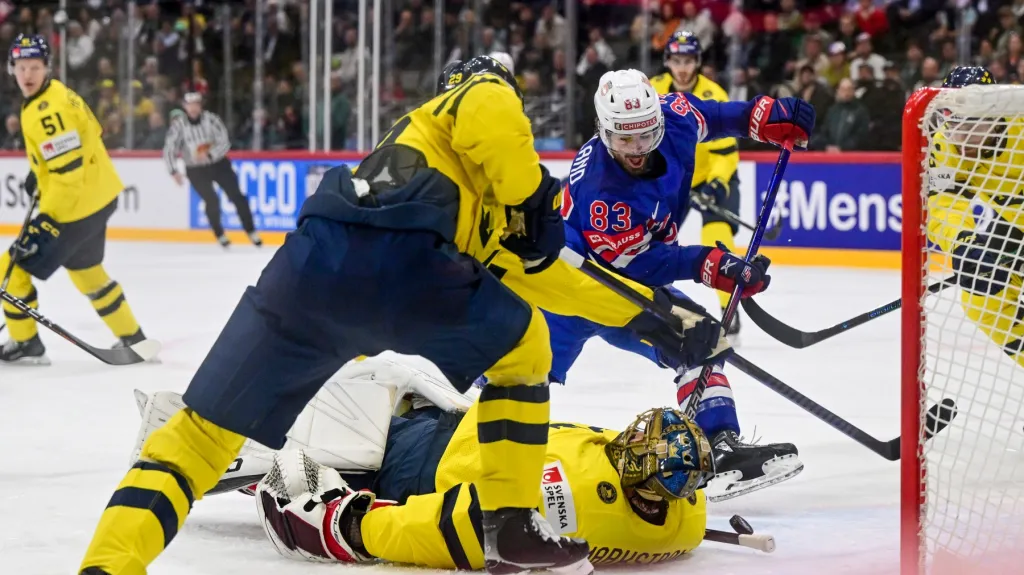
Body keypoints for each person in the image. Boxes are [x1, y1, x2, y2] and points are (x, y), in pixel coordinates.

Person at [78, 55, 729, 575]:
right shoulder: (472, 103)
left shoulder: (462, 193)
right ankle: (506, 521)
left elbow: (552, 278)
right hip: (406, 260)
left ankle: (109, 563)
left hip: (308, 267)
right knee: (525, 350)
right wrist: (534, 195)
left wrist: (651, 316)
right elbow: (488, 110)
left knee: (195, 439)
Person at [130, 356, 716, 570]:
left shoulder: (570, 506)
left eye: (637, 447)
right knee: (372, 371)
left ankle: (189, 448)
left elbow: (455, 530)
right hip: (460, 429)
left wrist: (353, 524)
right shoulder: (683, 509)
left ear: (640, 477)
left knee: (334, 414)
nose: (628, 438)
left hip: (421, 464)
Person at [545, 67, 815, 500]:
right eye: (623, 139)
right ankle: (460, 440)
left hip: (621, 279)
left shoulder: (676, 114)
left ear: (659, 120)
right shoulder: (602, 195)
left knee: (701, 338)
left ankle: (720, 452)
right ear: (603, 131)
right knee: (516, 375)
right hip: (575, 288)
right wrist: (709, 263)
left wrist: (763, 117)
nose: (636, 149)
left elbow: (720, 116)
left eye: (645, 135)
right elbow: (640, 270)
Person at [0, 34, 149, 364]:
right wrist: (39, 173)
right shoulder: (58, 94)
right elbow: (89, 136)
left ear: (46, 67)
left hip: (73, 209)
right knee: (87, 270)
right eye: (21, 67)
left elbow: (68, 174)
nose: (27, 74)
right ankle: (132, 336)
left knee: (8, 269)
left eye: (34, 67)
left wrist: (47, 222)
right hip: (97, 198)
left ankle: (26, 343)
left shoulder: (46, 110)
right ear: (12, 68)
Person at [927, 66, 1024, 367]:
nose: (961, 138)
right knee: (982, 303)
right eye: (953, 122)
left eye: (972, 126)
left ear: (995, 117)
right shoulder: (946, 145)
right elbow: (943, 204)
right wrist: (964, 243)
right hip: (1013, 224)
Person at [650, 30, 746, 337]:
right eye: (676, 60)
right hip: (673, 181)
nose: (682, 67)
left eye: (688, 60)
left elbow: (726, 152)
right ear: (667, 61)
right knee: (653, 242)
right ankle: (651, 302)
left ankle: (728, 309)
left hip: (711, 179)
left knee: (717, 235)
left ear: (697, 62)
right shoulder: (651, 91)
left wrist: (717, 183)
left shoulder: (714, 95)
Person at [163, 92, 261, 248]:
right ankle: (219, 233)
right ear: (185, 106)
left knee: (237, 196)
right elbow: (169, 148)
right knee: (211, 200)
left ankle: (251, 230)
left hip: (218, 164)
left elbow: (224, 141)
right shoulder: (179, 126)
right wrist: (173, 171)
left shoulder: (212, 119)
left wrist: (209, 154)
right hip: (195, 169)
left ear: (200, 105)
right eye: (190, 105)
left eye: (196, 104)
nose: (193, 108)